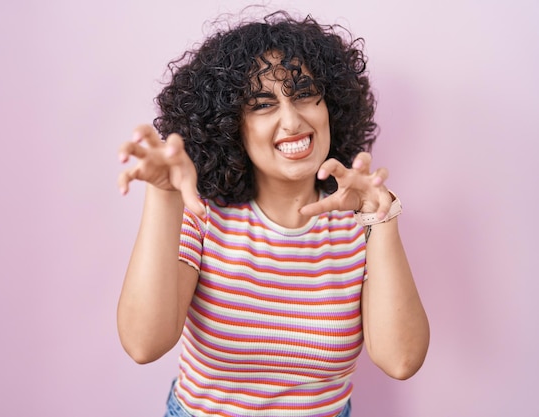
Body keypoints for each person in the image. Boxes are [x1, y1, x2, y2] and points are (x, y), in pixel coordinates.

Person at [117, 10, 429, 417]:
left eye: (302, 94)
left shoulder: (360, 223)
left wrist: (380, 218)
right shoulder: (204, 216)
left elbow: (401, 360)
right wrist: (164, 194)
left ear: (331, 105)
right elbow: (144, 344)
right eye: (263, 105)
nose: (291, 120)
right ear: (232, 125)